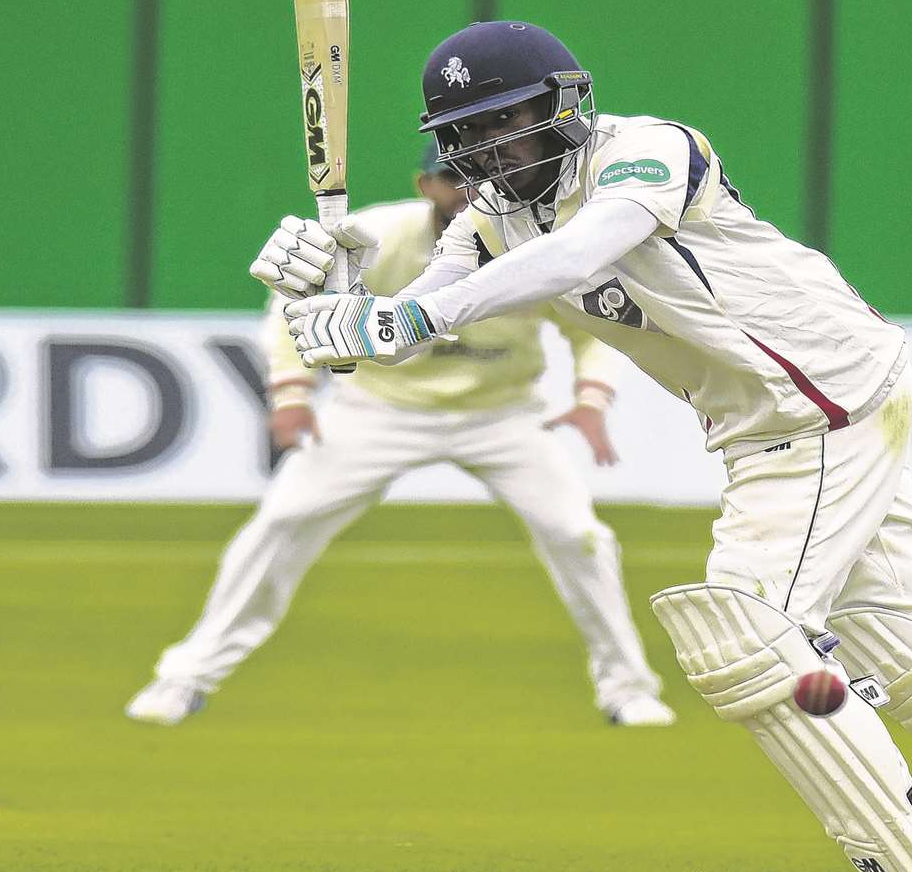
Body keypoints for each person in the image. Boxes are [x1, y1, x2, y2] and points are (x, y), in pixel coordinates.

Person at [251, 21, 912, 872]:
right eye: (479, 133)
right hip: (771, 424)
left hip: (818, 404)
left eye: (515, 118)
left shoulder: (649, 149)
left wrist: (412, 316)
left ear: (563, 103)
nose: (502, 144)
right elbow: (397, 331)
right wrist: (340, 292)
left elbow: (580, 254)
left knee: (743, 637)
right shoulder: (488, 220)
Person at [127, 146, 673, 729]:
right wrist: (291, 393)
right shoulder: (378, 236)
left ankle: (628, 689)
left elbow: (592, 328)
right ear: (425, 185)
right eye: (452, 178)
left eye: (481, 176)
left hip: (503, 415)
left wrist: (591, 398)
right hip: (379, 409)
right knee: (283, 521)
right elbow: (298, 311)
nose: (469, 189)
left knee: (578, 535)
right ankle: (185, 678)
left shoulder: (536, 242)